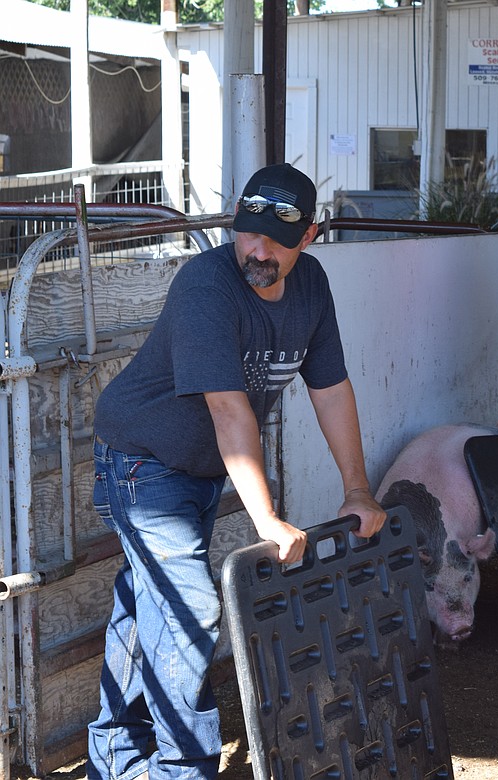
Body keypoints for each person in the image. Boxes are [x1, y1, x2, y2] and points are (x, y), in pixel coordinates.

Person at [86, 162, 387, 779]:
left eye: (277, 238)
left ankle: (112, 758)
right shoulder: (207, 286)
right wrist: (268, 520)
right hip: (142, 461)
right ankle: (182, 770)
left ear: (310, 235)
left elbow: (330, 388)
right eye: (248, 232)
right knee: (188, 605)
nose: (258, 249)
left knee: (145, 606)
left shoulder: (311, 287)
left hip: (197, 469)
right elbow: (228, 410)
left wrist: (357, 487)